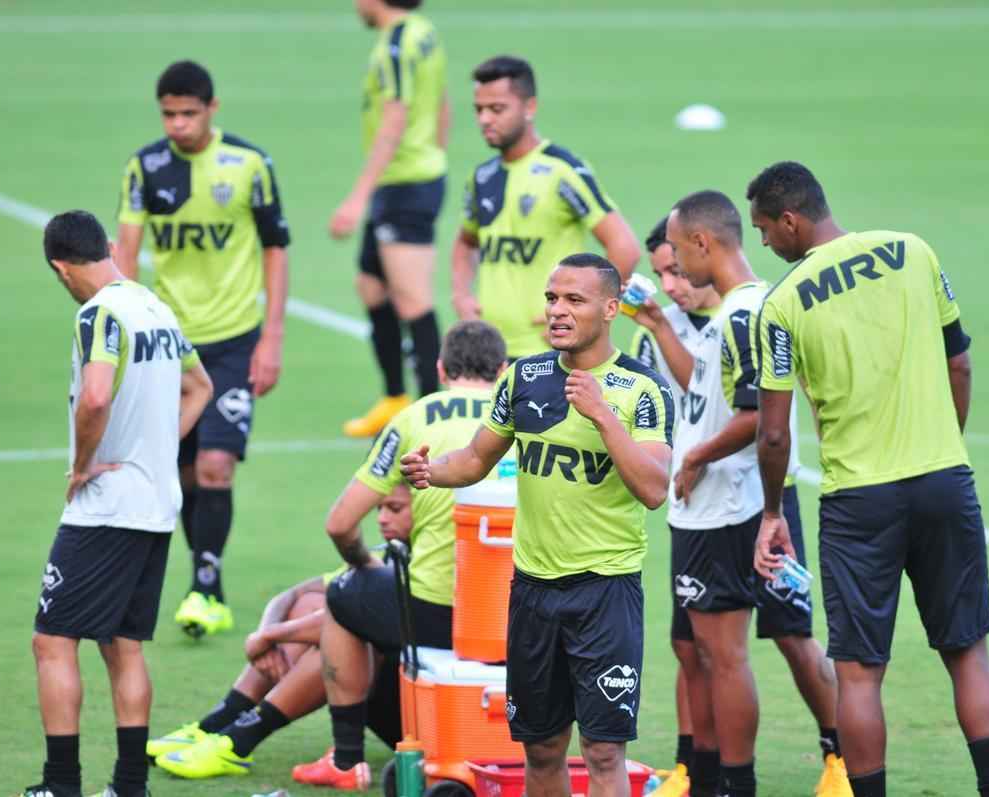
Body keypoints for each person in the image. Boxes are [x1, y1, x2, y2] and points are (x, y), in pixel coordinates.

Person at [748, 162, 989, 797]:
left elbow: (775, 432)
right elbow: (960, 363)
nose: (764, 243)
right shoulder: (913, 252)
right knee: (969, 652)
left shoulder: (781, 304)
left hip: (858, 501)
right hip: (944, 478)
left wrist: (772, 512)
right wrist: (946, 443)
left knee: (860, 674)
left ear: (791, 221)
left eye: (764, 230)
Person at [401, 254, 673, 797]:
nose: (557, 311)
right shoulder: (524, 377)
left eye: (574, 300)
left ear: (611, 308)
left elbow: (653, 487)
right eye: (552, 298)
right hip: (532, 593)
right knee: (541, 748)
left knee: (602, 750)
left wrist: (602, 416)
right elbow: (477, 458)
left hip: (605, 591)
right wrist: (434, 469)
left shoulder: (641, 389)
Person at [658, 191, 848, 797]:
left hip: (731, 506)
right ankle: (712, 777)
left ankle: (751, 780)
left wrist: (694, 456)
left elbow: (756, 417)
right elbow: (711, 399)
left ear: (703, 244)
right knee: (706, 654)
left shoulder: (744, 315)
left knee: (737, 652)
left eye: (677, 249)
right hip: (715, 508)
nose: (674, 264)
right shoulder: (731, 316)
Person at [23, 210, 212, 797]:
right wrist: (156, 446)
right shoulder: (152, 305)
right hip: (157, 502)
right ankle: (130, 787)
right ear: (107, 246)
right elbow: (200, 386)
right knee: (122, 645)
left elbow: (96, 396)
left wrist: (83, 463)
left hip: (107, 508)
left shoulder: (98, 313)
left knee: (52, 640)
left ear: (60, 267)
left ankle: (61, 786)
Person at [115, 60, 291, 637]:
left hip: (235, 342)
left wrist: (272, 337)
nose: (178, 125)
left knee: (217, 467)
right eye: (169, 114)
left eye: (189, 113)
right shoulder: (145, 167)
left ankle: (206, 586)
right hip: (169, 345)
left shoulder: (248, 166)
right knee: (183, 472)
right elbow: (127, 251)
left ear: (212, 109)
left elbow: (276, 249)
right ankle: (202, 575)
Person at [295, 320, 510, 791]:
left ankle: (347, 758)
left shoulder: (416, 418)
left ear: (439, 368)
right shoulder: (525, 417)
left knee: (342, 596)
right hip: (514, 617)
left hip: (434, 610)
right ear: (503, 370)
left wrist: (362, 563)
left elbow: (339, 523)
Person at [146, 485, 412, 780]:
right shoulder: (390, 555)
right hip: (388, 695)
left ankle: (238, 741)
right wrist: (268, 630)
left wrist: (271, 637)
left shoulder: (432, 562)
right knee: (311, 602)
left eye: (395, 509)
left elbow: (352, 615)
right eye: (379, 509)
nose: (382, 519)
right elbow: (296, 593)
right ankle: (215, 725)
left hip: (418, 722)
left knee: (348, 628)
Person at [452, 56, 640, 360]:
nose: (485, 119)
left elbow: (624, 247)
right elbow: (465, 243)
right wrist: (462, 296)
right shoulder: (482, 177)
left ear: (529, 108)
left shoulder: (561, 170)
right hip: (490, 352)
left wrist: (583, 314)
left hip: (547, 353)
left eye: (497, 109)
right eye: (479, 110)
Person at [627, 217, 720, 791]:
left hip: (759, 499)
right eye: (662, 271)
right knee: (689, 642)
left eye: (675, 267)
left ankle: (835, 755)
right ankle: (693, 767)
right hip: (691, 506)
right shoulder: (657, 331)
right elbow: (656, 407)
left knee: (791, 638)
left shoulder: (741, 317)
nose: (671, 280)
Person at [335, 0, 451, 438]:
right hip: (407, 180)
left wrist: (358, 197)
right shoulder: (424, 31)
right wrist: (437, 154)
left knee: (413, 301)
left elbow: (395, 118)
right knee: (370, 284)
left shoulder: (398, 45)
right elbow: (442, 102)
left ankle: (434, 412)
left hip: (404, 184)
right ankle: (395, 398)